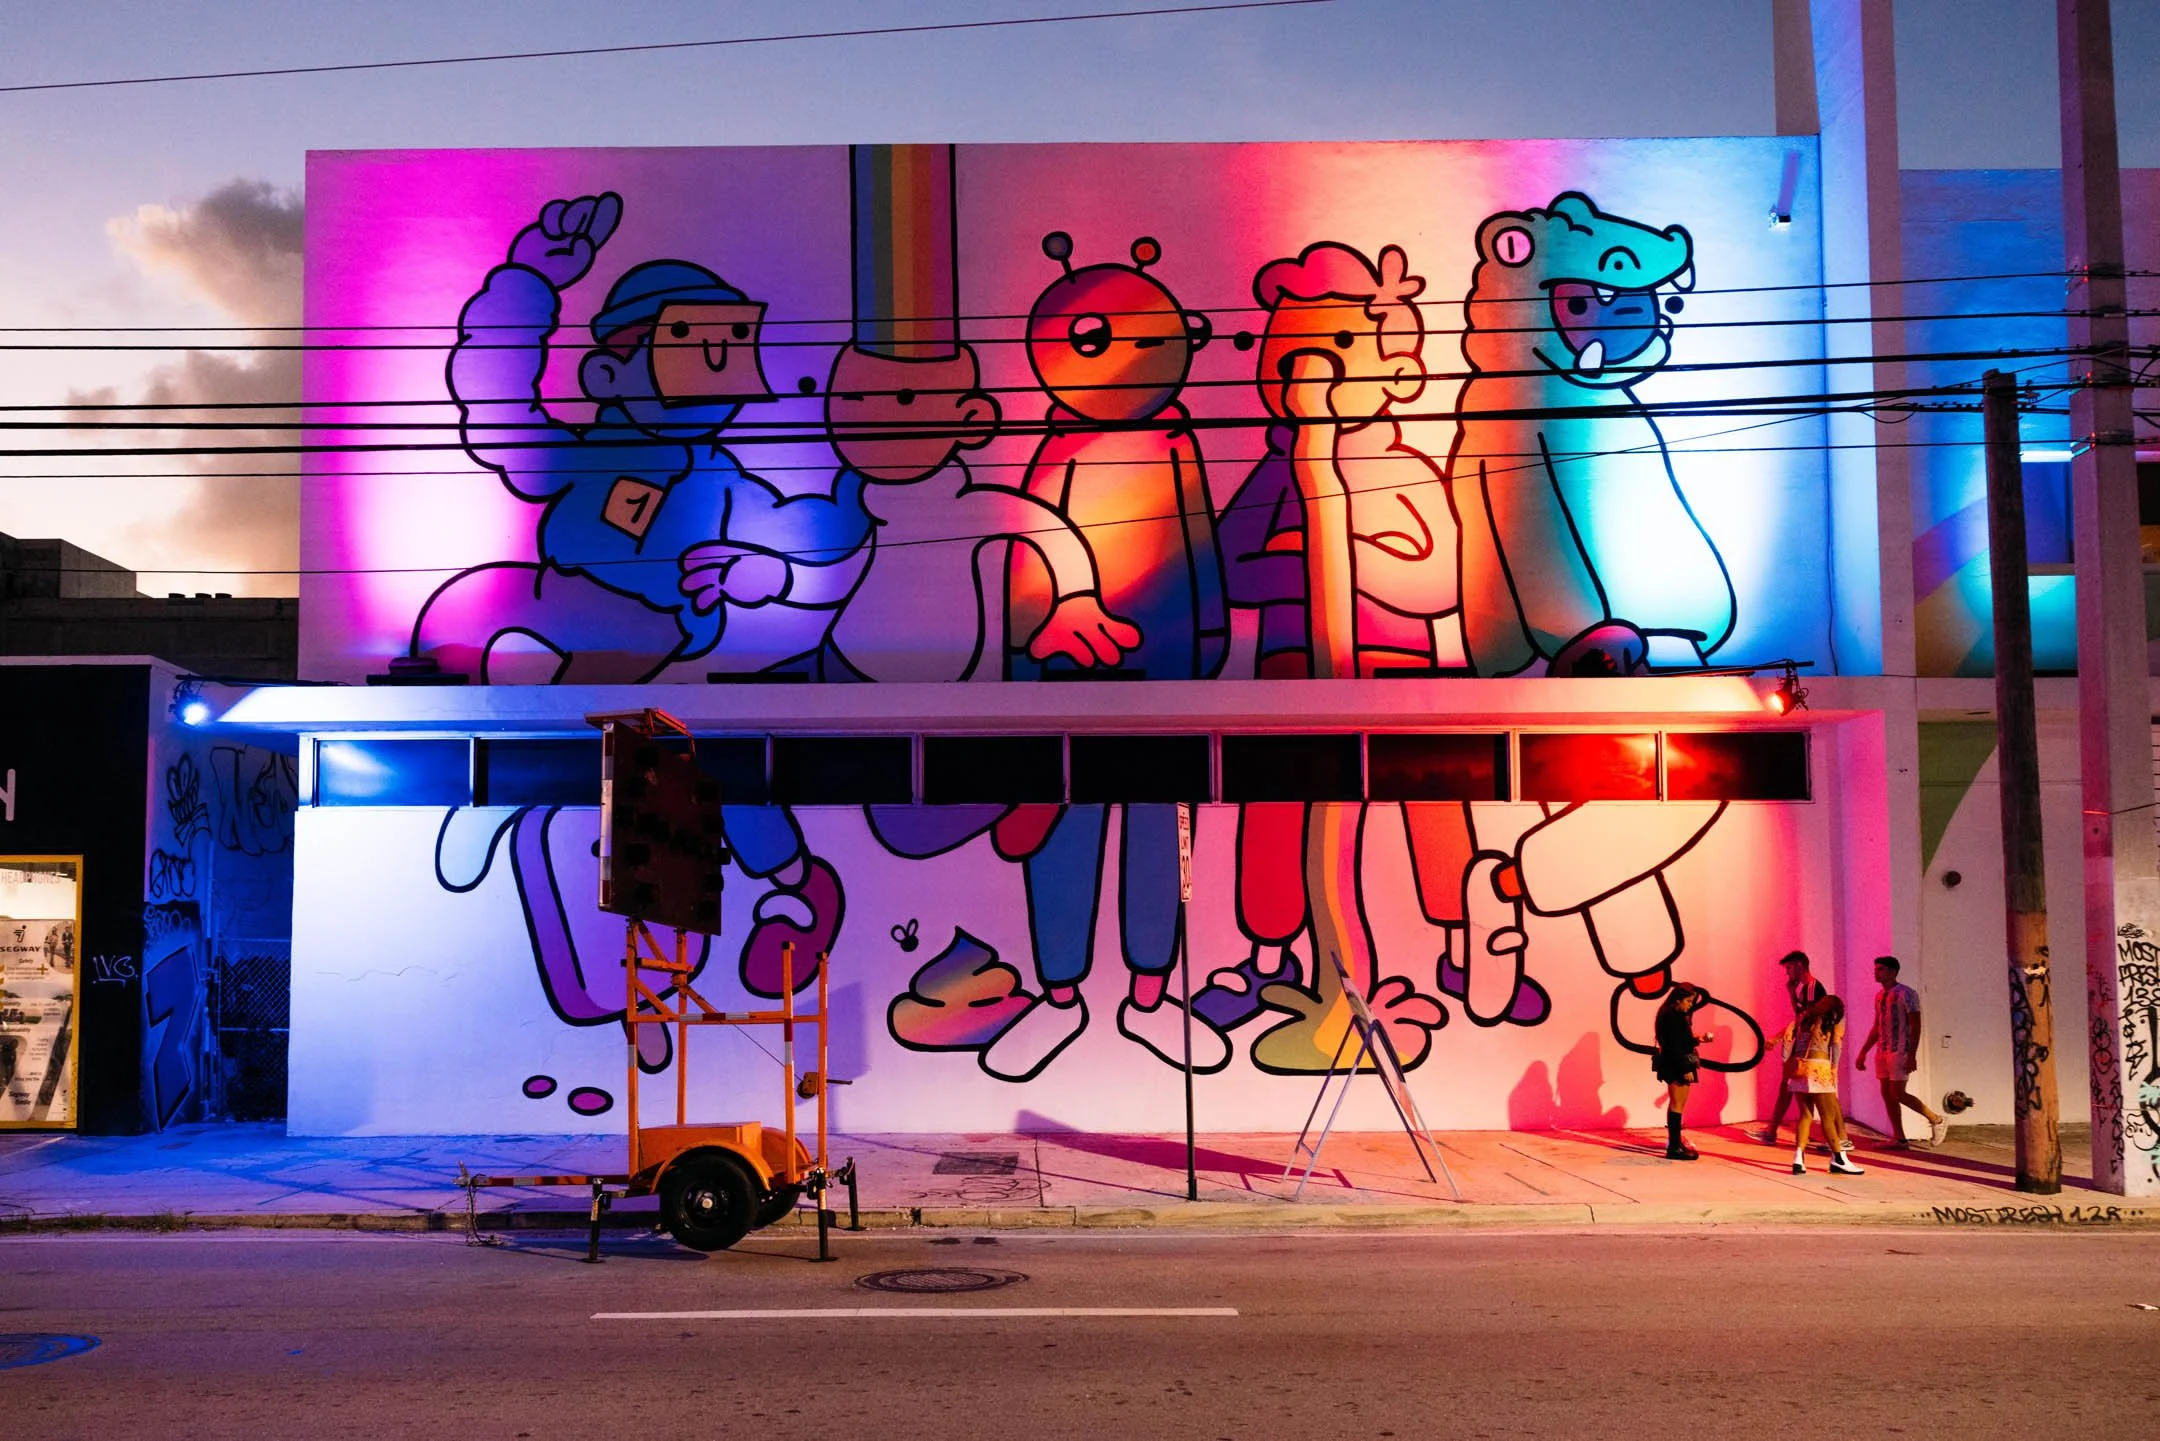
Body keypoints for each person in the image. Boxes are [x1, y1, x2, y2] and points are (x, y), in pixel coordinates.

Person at [1856, 955, 1950, 1148]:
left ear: (1893, 972)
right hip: (1883, 1050)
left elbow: (1916, 1025)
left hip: (1900, 1050)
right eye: (1876, 969)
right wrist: (1864, 1051)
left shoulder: (1906, 994)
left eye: (1881, 969)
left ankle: (1937, 1119)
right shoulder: (1879, 996)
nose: (1876, 973)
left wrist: (1911, 1055)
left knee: (1898, 1093)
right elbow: (1877, 1026)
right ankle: (1899, 1137)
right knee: (1887, 1093)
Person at [1781, 994, 1864, 1176]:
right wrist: (1834, 1068)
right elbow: (1836, 1043)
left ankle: (1798, 1158)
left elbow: (1787, 1037)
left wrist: (1785, 1061)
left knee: (1805, 1116)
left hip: (1800, 1069)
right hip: (1820, 1069)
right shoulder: (1832, 1018)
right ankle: (1839, 1158)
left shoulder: (1804, 1017)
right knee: (1828, 1116)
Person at [1758, 950, 1827, 1147]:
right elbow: (1800, 1017)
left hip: (1808, 1047)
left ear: (1799, 966)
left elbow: (1806, 1020)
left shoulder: (1812, 988)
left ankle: (1832, 1138)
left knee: (1811, 1094)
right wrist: (1791, 993)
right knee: (1791, 1088)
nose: (1787, 973)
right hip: (1804, 1045)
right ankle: (1773, 1130)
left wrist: (1791, 1043)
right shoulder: (1805, 989)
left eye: (1789, 968)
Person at [1653, 983, 1714, 1160]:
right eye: (1688, 1001)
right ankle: (1674, 1147)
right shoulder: (1673, 1017)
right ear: (1677, 1000)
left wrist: (1697, 1039)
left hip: (1674, 1062)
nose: (1690, 1005)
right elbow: (1675, 1046)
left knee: (1677, 1103)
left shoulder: (1671, 1015)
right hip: (1677, 1064)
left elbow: (1680, 1041)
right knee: (1677, 1104)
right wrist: (1685, 1068)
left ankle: (1675, 1143)